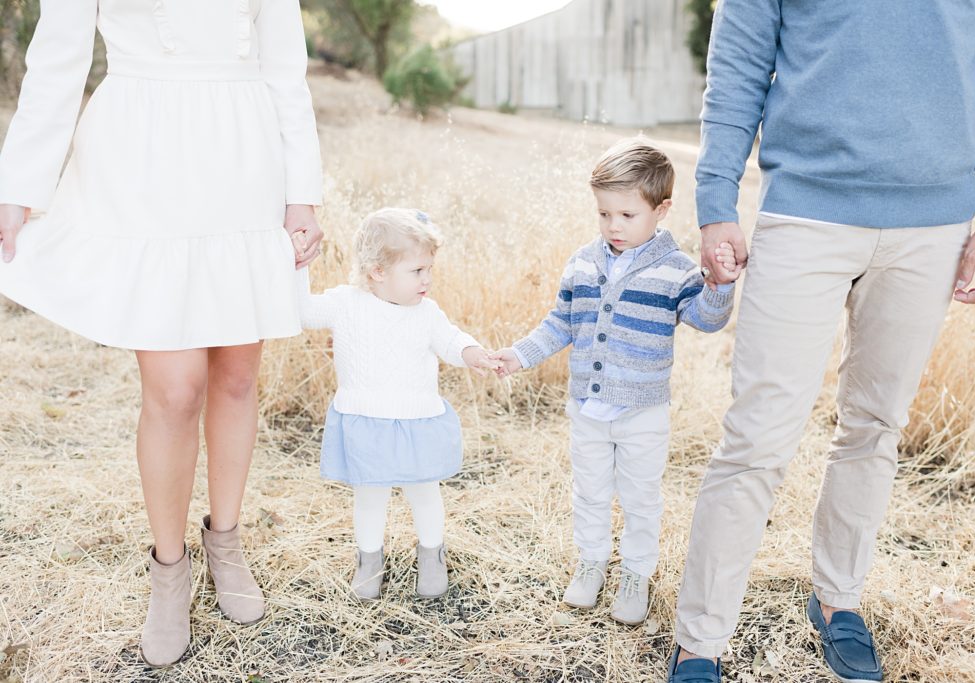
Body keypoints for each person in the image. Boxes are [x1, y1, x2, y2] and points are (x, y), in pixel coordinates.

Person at [666, 2, 975, 682]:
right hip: (805, 211)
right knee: (757, 436)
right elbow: (738, 60)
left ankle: (838, 599)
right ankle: (699, 641)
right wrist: (716, 201)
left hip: (935, 222)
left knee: (875, 424)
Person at [0, 0, 324, 667]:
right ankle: (168, 571)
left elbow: (287, 69)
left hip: (245, 153)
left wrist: (303, 191)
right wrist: (18, 186)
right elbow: (56, 61)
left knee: (237, 375)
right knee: (176, 389)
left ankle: (226, 543)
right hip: (142, 158)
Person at [492, 138, 738, 626]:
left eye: (627, 215)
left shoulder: (675, 269)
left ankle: (636, 574)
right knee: (590, 491)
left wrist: (720, 286)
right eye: (604, 214)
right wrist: (519, 355)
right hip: (587, 408)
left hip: (642, 412)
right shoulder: (584, 262)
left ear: (661, 209)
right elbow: (561, 323)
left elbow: (706, 320)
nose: (613, 226)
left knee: (641, 496)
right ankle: (591, 562)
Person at [295, 208, 499, 601]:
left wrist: (473, 353)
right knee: (370, 496)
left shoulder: (427, 312)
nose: (428, 280)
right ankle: (369, 561)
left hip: (415, 420)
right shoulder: (346, 303)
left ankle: (431, 555)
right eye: (417, 271)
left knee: (424, 492)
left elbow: (450, 339)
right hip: (366, 420)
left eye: (429, 269)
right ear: (377, 271)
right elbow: (304, 312)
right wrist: (298, 263)